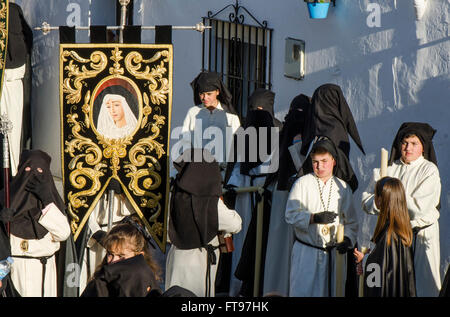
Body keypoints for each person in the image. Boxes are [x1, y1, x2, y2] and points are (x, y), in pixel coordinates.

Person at [362, 122, 441, 296]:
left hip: (420, 237)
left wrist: (389, 198)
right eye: (404, 143)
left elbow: (418, 208)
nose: (408, 148)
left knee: (422, 288)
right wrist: (377, 203)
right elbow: (367, 201)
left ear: (423, 147)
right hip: (393, 239)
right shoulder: (387, 169)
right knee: (393, 287)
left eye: (414, 144)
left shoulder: (429, 171)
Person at [285, 138, 358, 297]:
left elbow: (351, 222)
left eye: (324, 161)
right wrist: (313, 218)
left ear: (333, 160)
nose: (320, 166)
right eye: (315, 162)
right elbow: (290, 215)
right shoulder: (302, 183)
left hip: (334, 256)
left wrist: (347, 239)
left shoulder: (343, 188)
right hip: (307, 253)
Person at [165, 149, 242, 297]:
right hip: (199, 260)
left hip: (176, 256)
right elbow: (235, 224)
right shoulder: (210, 202)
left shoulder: (175, 196)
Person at [226, 88, 280, 296]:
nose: (256, 114)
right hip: (244, 197)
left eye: (261, 110)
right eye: (252, 110)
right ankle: (238, 289)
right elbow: (238, 165)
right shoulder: (243, 134)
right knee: (242, 242)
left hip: (265, 198)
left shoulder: (278, 132)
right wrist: (233, 184)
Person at [0, 150, 72, 297]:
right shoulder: (5, 199)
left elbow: (63, 233)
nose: (32, 175)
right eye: (27, 170)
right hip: (15, 269)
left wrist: (46, 199)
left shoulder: (51, 204)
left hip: (42, 271)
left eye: (40, 171)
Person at [261, 93, 311, 297]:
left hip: (296, 198)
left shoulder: (295, 134)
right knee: (279, 250)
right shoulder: (289, 135)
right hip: (284, 195)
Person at [355, 177, 415, 297]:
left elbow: (378, 270)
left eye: (375, 194)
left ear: (380, 200)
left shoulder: (389, 233)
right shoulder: (400, 228)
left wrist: (365, 259)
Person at [77, 180, 136, 294]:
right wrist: (95, 232)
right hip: (94, 236)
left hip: (121, 232)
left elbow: (139, 206)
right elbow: (79, 206)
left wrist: (125, 190)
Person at [175, 71, 241, 170]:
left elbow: (237, 147)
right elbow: (185, 141)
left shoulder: (231, 117)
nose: (205, 98)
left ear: (218, 92)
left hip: (223, 172)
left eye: (209, 94)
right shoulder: (192, 113)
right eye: (202, 94)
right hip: (198, 170)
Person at [81, 220, 162, 297]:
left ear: (139, 257)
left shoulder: (147, 284)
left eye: (121, 256)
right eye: (110, 254)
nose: (113, 261)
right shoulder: (99, 286)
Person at [0, 2, 33, 177]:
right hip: (11, 78)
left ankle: (10, 178)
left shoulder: (10, 10)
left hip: (11, 78)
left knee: (10, 133)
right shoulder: (11, 9)